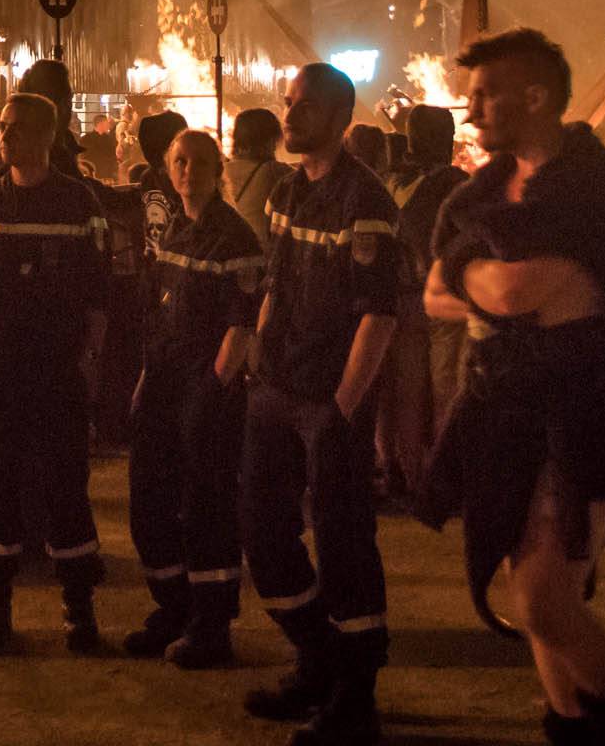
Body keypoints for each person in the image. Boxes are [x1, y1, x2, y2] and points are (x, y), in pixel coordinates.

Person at [419, 28, 605, 745]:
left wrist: (477, 281)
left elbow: (517, 289)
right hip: (503, 410)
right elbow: (439, 291)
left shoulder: (589, 186)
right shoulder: (483, 192)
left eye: (486, 93)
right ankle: (576, 729)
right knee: (533, 600)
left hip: (581, 411)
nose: (471, 107)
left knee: (548, 600)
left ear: (537, 96)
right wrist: (479, 281)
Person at [240, 64, 406, 746]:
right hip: (276, 388)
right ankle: (317, 660)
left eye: (304, 107)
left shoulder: (364, 202)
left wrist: (342, 409)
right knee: (262, 531)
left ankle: (354, 697)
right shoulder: (287, 190)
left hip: (328, 402)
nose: (288, 115)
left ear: (339, 117)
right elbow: (278, 282)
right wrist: (256, 348)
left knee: (343, 543)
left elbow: (379, 317)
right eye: (287, 104)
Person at [0, 92, 111, 654]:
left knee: (68, 488)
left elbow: (97, 301)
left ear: (48, 136)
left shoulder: (79, 206)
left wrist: (88, 367)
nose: (4, 136)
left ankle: (79, 609)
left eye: (17, 128)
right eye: (2, 128)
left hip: (58, 374)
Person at [122, 129, 263, 670]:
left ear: (217, 167)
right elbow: (158, 315)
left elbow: (241, 323)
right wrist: (146, 379)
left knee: (206, 506)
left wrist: (215, 388)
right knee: (150, 501)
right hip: (163, 381)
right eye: (179, 160)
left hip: (205, 388)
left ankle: (211, 624)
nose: (187, 170)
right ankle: (174, 609)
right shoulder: (174, 231)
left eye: (199, 161)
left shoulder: (235, 237)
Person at [393, 103, 471, 426]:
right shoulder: (458, 183)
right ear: (445, 140)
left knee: (406, 399)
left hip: (402, 300)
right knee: (448, 393)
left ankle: (405, 474)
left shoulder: (391, 183)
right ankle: (443, 468)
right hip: (445, 302)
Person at [225, 107, 289, 248]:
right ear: (270, 140)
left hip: (226, 252)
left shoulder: (221, 170)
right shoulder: (274, 171)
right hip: (257, 256)